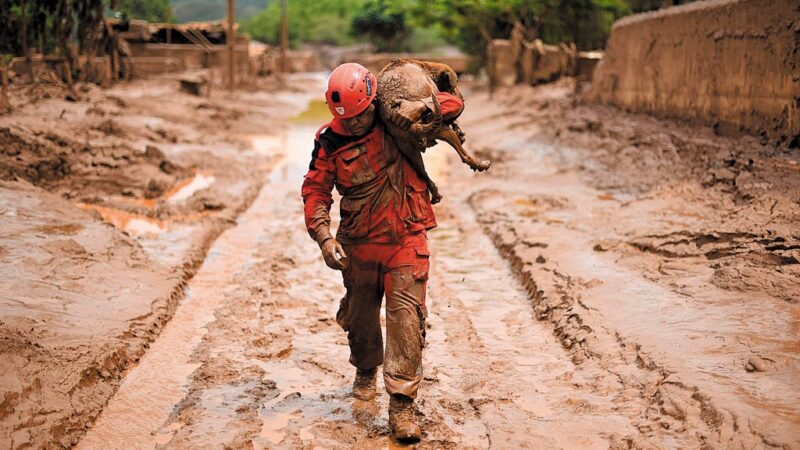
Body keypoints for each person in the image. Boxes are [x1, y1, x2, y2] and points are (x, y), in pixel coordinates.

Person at [301, 62, 464, 442]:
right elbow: (315, 191)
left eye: (361, 116)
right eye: (348, 119)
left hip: (406, 236)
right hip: (358, 245)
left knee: (406, 317)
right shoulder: (328, 140)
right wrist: (324, 236)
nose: (355, 124)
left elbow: (452, 103)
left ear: (373, 100)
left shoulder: (395, 116)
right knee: (361, 320)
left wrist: (418, 107)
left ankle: (402, 404)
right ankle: (364, 368)